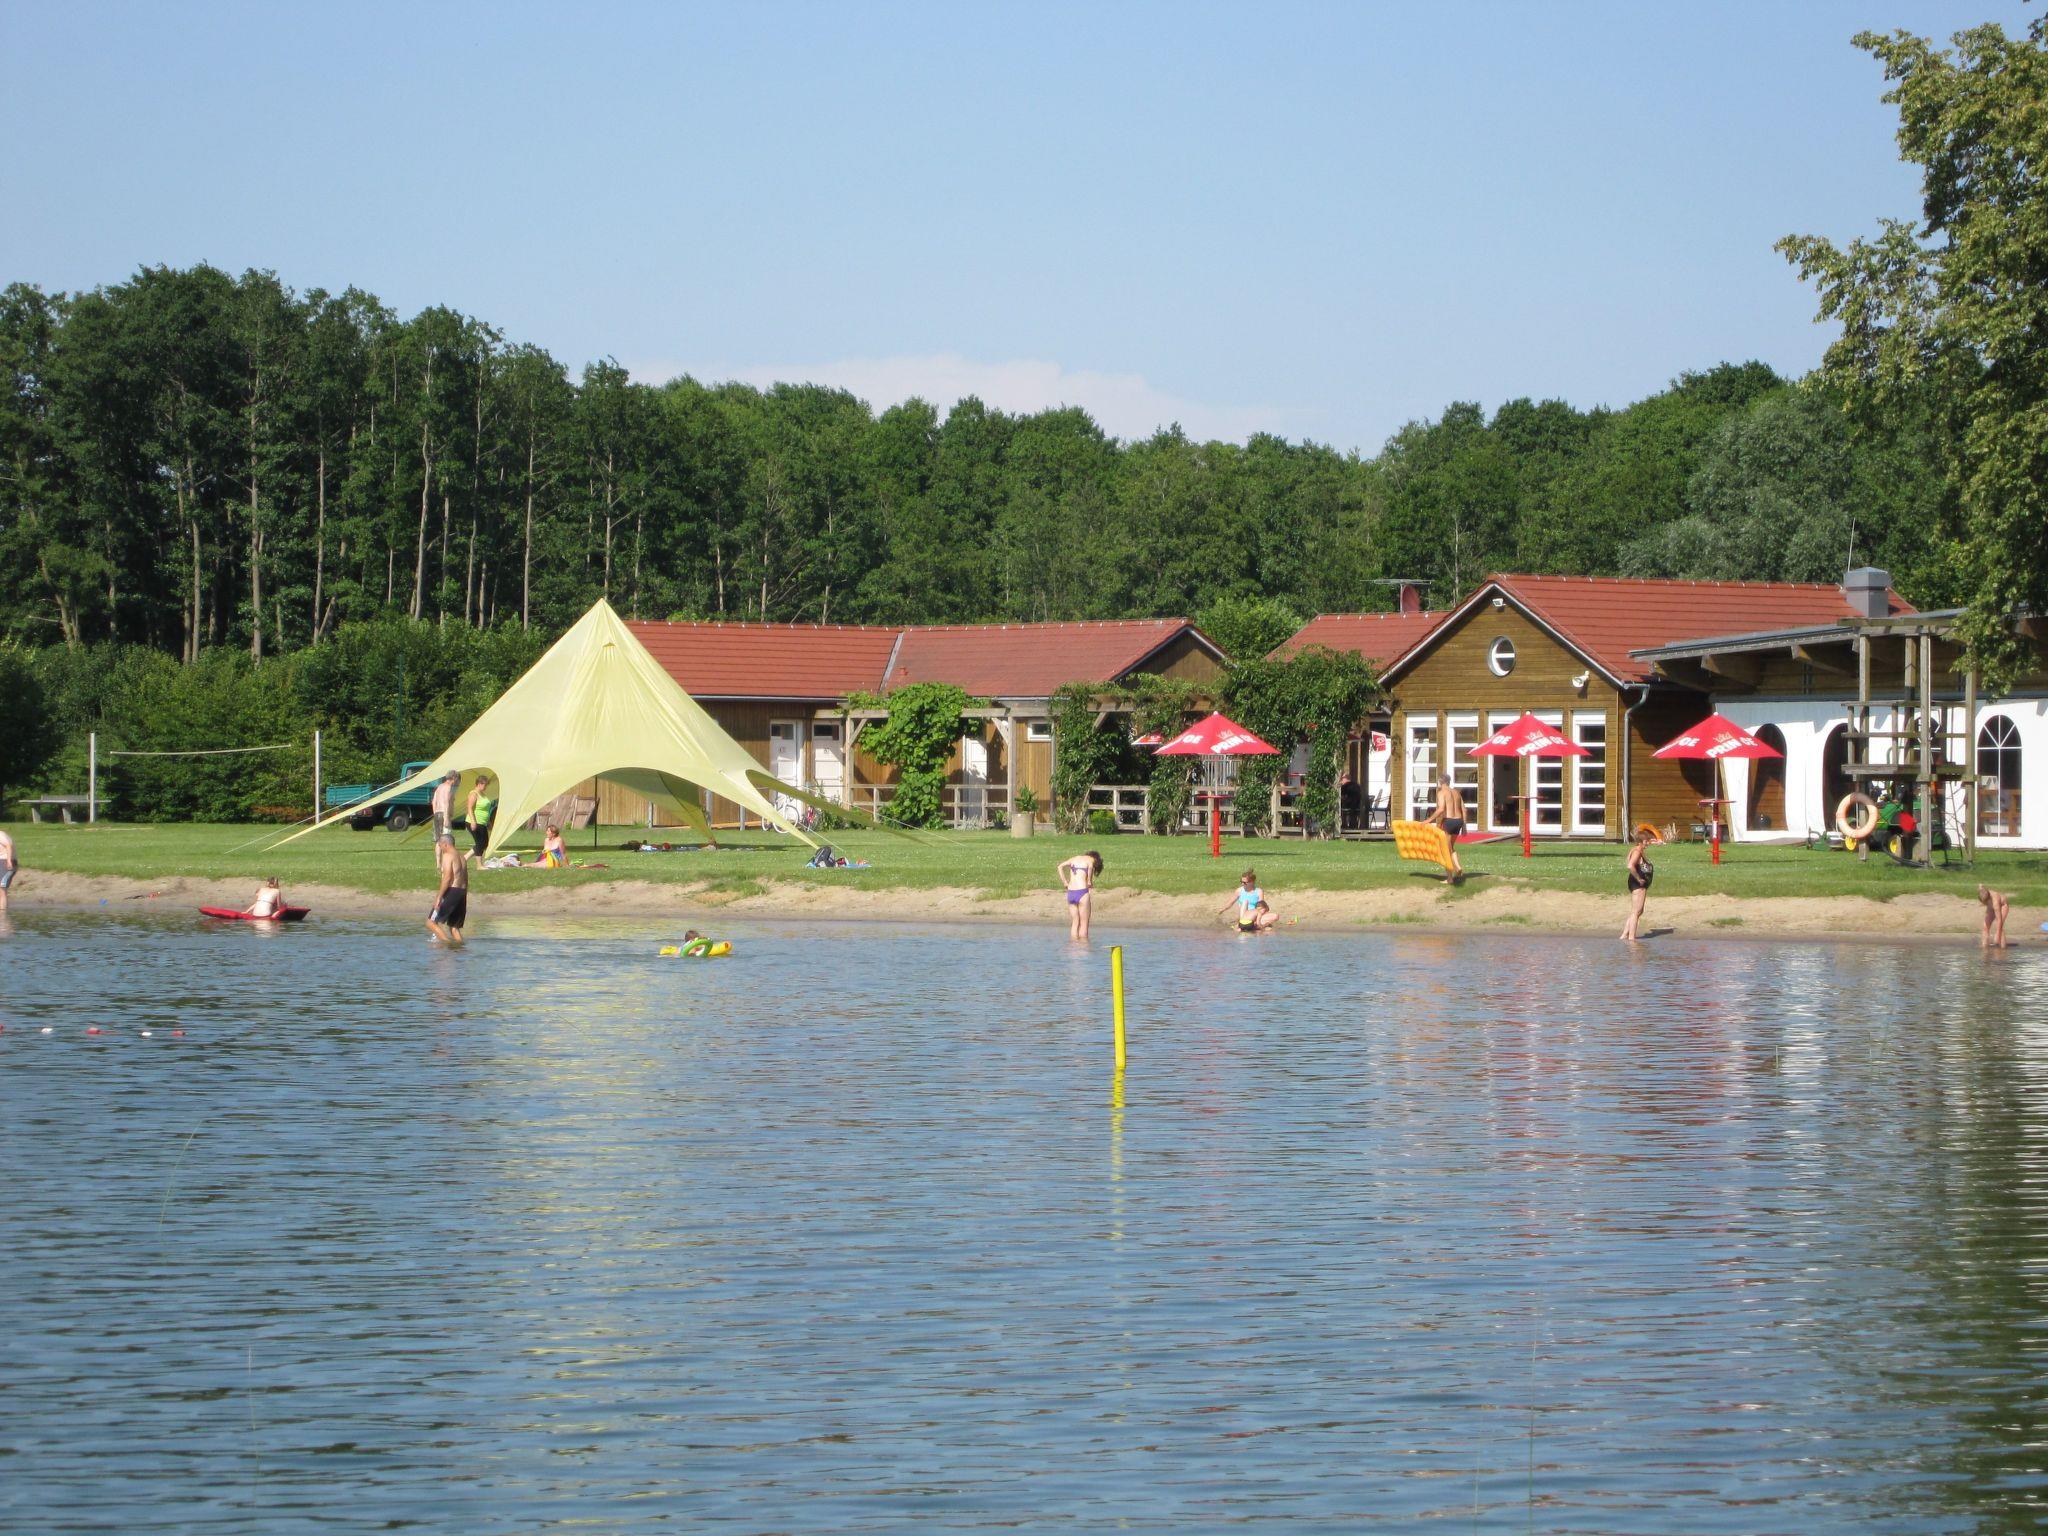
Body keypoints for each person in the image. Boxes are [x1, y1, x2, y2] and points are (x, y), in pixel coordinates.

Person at [426, 832, 469, 946]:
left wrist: (439, 897)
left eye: (440, 846)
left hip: (452, 891)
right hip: (462, 892)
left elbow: (447, 877)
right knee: (454, 928)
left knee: (431, 922)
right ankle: (459, 950)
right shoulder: (462, 857)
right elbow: (465, 879)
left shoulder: (448, 856)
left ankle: (447, 944)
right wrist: (463, 894)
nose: (440, 849)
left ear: (445, 844)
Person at [1425, 774, 1468, 881]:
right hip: (1458, 821)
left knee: (1445, 850)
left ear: (1440, 782)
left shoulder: (1441, 793)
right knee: (1450, 848)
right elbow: (1464, 809)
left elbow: (1441, 809)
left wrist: (1429, 820)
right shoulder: (1456, 792)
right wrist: (1464, 826)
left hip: (1449, 821)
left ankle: (1454, 873)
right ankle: (1454, 872)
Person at [1057, 850, 1104, 941]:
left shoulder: (1074, 859)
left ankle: (1074, 945)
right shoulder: (1090, 860)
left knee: (1075, 922)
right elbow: (1090, 868)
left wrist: (1065, 882)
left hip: (1071, 892)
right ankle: (1083, 946)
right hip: (1082, 892)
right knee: (1084, 924)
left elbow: (1060, 867)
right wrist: (1089, 881)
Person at [1620, 826, 1656, 942]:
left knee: (1637, 911)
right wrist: (1639, 879)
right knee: (1636, 911)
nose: (1648, 843)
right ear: (1641, 841)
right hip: (1638, 884)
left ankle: (1624, 935)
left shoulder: (1638, 850)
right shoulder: (1637, 851)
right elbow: (1630, 865)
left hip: (1639, 884)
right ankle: (1632, 938)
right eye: (1647, 841)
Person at [1222, 868, 1277, 932]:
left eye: (1245, 883)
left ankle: (1252, 925)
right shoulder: (1239, 890)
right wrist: (1221, 910)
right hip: (1244, 916)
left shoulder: (1259, 891)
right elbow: (1230, 903)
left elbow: (1261, 906)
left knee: (1275, 916)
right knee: (1245, 902)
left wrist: (1260, 915)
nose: (1242, 884)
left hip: (1256, 915)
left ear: (1252, 882)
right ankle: (1253, 926)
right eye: (1241, 882)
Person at [465, 773, 497, 862]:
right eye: (485, 785)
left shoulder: (483, 794)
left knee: (485, 843)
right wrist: (473, 821)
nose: (486, 787)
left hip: (482, 823)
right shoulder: (473, 794)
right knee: (480, 843)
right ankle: (479, 865)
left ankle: (464, 858)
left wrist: (488, 822)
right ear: (479, 784)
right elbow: (469, 808)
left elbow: (486, 810)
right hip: (475, 822)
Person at [430, 770, 460, 844]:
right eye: (456, 778)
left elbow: (434, 802)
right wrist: (446, 818)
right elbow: (446, 802)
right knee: (446, 839)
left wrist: (435, 813)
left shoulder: (440, 786)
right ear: (454, 777)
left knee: (438, 840)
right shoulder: (448, 787)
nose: (457, 780)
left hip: (437, 813)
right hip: (444, 814)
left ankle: (438, 852)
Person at [1979, 885, 2011, 950]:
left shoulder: (1995, 902)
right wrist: (1980, 886)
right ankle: (1984, 947)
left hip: (2002, 905)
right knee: (1985, 927)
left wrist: (1997, 935)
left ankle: (2003, 949)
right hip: (1990, 906)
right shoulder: (1982, 892)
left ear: (1988, 898)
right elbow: (1980, 886)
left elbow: (1999, 920)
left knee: (2000, 927)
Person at [0, 826, 16, 910]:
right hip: (2, 862)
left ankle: (2, 913)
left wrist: (9, 860)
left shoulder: (0, 835)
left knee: (2, 890)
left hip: (5, 863)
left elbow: (8, 845)